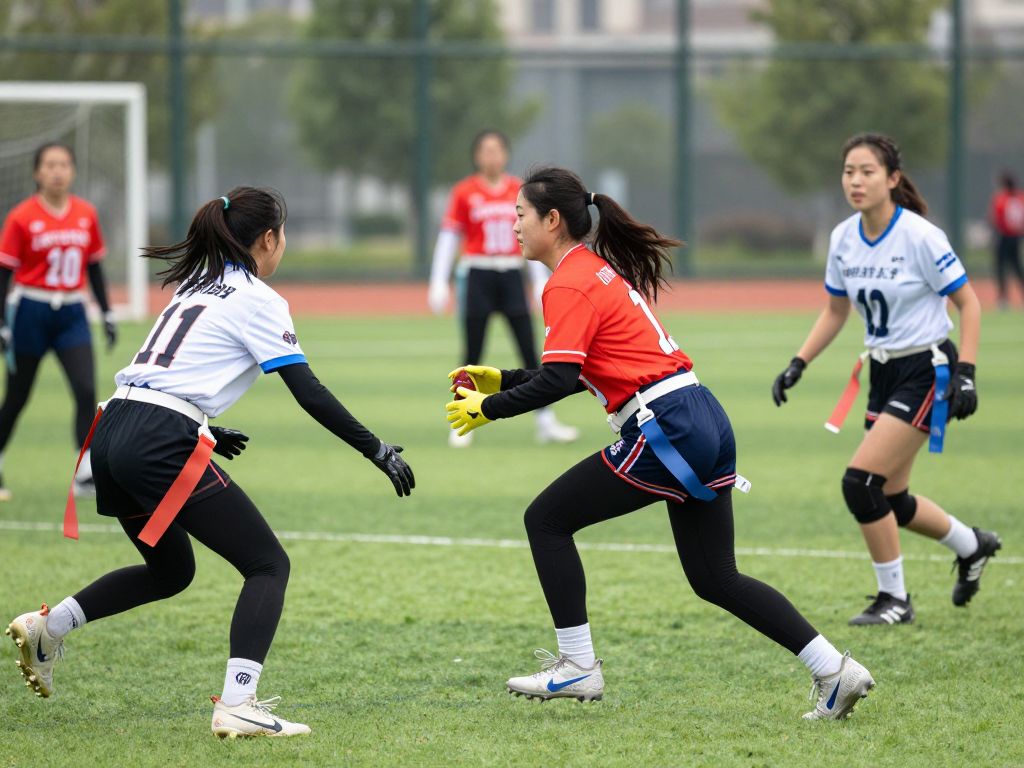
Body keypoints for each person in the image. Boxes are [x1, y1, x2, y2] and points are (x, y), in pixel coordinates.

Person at [445, 166, 873, 720]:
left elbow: (558, 381)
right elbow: (575, 372)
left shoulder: (568, 281)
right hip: (699, 414)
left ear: (553, 220)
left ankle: (578, 668)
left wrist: (488, 409)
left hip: (665, 426)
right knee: (715, 577)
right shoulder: (592, 270)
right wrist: (503, 379)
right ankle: (835, 671)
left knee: (546, 519)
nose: (514, 225)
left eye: (521, 214)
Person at [5, 187, 415, 738]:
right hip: (157, 438)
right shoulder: (259, 298)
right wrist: (377, 449)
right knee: (268, 565)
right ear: (269, 239)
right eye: (283, 234)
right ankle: (238, 704)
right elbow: (308, 392)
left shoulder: (195, 284)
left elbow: (166, 375)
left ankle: (50, 627)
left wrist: (204, 429)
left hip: (114, 429)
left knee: (172, 571)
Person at [772, 133, 1001, 626]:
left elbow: (970, 303)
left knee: (860, 484)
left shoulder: (919, 235)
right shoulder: (843, 237)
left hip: (927, 369)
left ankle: (894, 600)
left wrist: (967, 373)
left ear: (893, 179)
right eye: (849, 171)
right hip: (882, 371)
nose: (855, 180)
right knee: (890, 497)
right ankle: (973, 544)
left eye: (867, 171)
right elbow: (836, 311)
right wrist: (799, 362)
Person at [429, 129, 578, 447]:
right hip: (478, 273)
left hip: (511, 272)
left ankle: (546, 421)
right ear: (476, 156)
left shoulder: (518, 191)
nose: (491, 156)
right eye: (485, 150)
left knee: (529, 349)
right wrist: (439, 280)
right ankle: (461, 420)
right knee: (472, 350)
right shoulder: (464, 191)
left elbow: (536, 234)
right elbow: (449, 237)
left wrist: (539, 281)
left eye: (497, 150)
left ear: (506, 155)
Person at [0, 141, 118, 500]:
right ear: (37, 172)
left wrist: (107, 312)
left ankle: (84, 473)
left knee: (85, 390)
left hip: (71, 312)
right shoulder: (21, 216)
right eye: (50, 165)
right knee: (18, 396)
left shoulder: (85, 213)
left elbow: (94, 266)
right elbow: (4, 271)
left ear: (73, 171)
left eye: (64, 164)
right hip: (31, 312)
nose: (57, 171)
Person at [989, 171, 1024, 309]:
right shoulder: (1021, 198)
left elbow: (995, 219)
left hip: (1004, 237)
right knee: (1017, 267)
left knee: (1001, 267)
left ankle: (1003, 299)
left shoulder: (1001, 199)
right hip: (1017, 237)